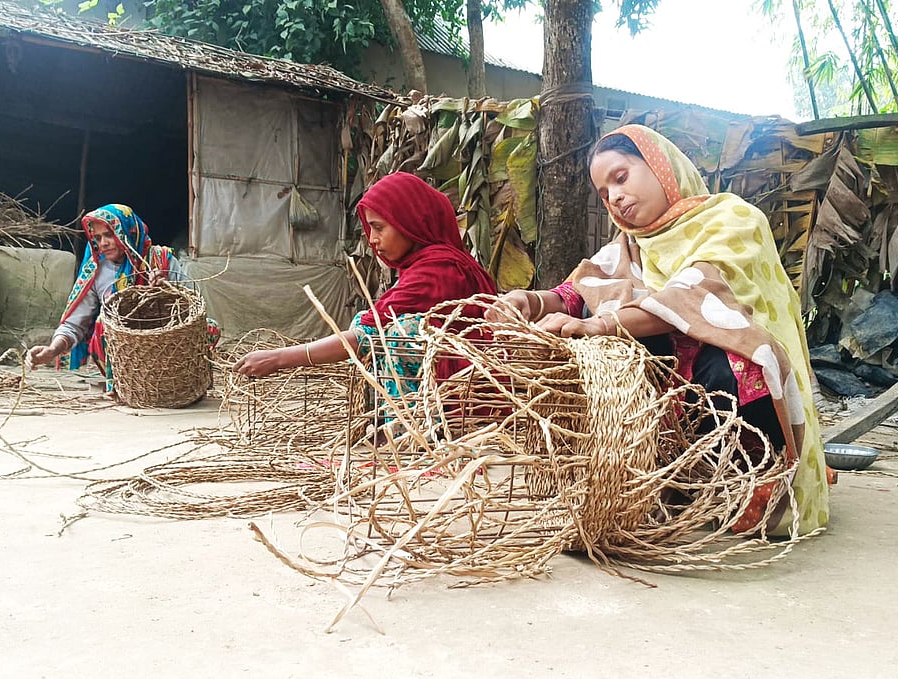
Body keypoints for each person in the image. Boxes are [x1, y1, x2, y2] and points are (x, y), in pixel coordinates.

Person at [489, 124, 830, 535]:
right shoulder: (629, 246)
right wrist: (532, 301)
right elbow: (581, 290)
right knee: (616, 349)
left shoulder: (734, 219)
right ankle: (672, 478)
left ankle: (752, 479)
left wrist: (601, 325)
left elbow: (695, 294)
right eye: (604, 193)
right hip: (678, 395)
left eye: (621, 177)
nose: (615, 197)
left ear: (661, 167)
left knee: (733, 364)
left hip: (727, 376)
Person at [234, 172, 497, 399]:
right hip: (455, 382)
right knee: (369, 321)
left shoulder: (438, 271)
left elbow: (365, 337)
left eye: (379, 228)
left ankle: (405, 431)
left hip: (469, 393)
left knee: (399, 335)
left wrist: (279, 358)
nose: (372, 239)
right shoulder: (433, 264)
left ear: (410, 223)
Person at [26, 204, 218, 392]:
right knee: (103, 324)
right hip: (125, 352)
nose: (103, 243)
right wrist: (52, 350)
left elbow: (195, 306)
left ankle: (183, 383)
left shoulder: (161, 261)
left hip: (166, 346)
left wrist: (167, 290)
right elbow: (74, 324)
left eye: (109, 234)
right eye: (97, 238)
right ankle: (125, 385)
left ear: (129, 232)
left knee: (209, 327)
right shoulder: (95, 271)